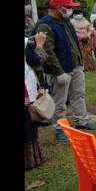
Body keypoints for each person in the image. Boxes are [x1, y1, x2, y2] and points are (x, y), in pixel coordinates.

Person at [35, 0, 95, 141]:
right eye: (67, 7)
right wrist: (59, 72)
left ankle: (82, 121)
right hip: (60, 70)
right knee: (59, 101)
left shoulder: (65, 20)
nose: (69, 10)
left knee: (79, 95)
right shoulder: (45, 25)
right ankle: (59, 128)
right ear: (58, 8)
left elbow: (71, 39)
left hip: (75, 65)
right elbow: (46, 51)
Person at [24, 32, 48, 169]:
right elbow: (38, 60)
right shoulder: (26, 42)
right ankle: (30, 159)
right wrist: (39, 45)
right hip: (26, 90)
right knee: (28, 124)